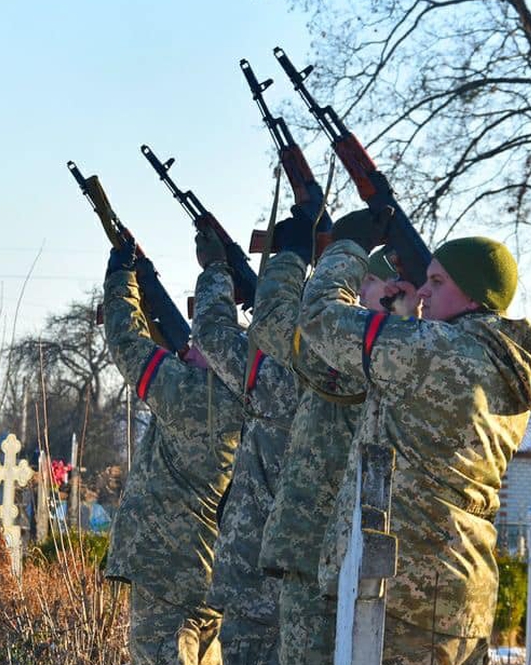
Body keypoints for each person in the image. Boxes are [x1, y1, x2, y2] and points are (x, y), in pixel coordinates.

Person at [301, 210, 531, 665]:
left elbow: (320, 319)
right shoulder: (499, 362)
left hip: (406, 594)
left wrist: (347, 249)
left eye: (437, 283)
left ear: (474, 295)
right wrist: (401, 319)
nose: (422, 290)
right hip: (459, 590)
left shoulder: (438, 351)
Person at [247, 222, 403, 665]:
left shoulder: (365, 352)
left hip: (323, 558)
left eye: (366, 280)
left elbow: (275, 320)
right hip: (334, 560)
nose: (355, 291)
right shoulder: (403, 351)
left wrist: (293, 253)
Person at [102, 241, 243, 665]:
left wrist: (120, 278)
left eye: (199, 342)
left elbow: (126, 341)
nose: (187, 348)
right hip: (211, 578)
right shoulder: (249, 402)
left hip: (166, 576)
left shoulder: (187, 394)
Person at [189, 225, 304, 665]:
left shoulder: (282, 375)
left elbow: (214, 335)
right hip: (291, 579)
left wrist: (217, 270)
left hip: (259, 581)